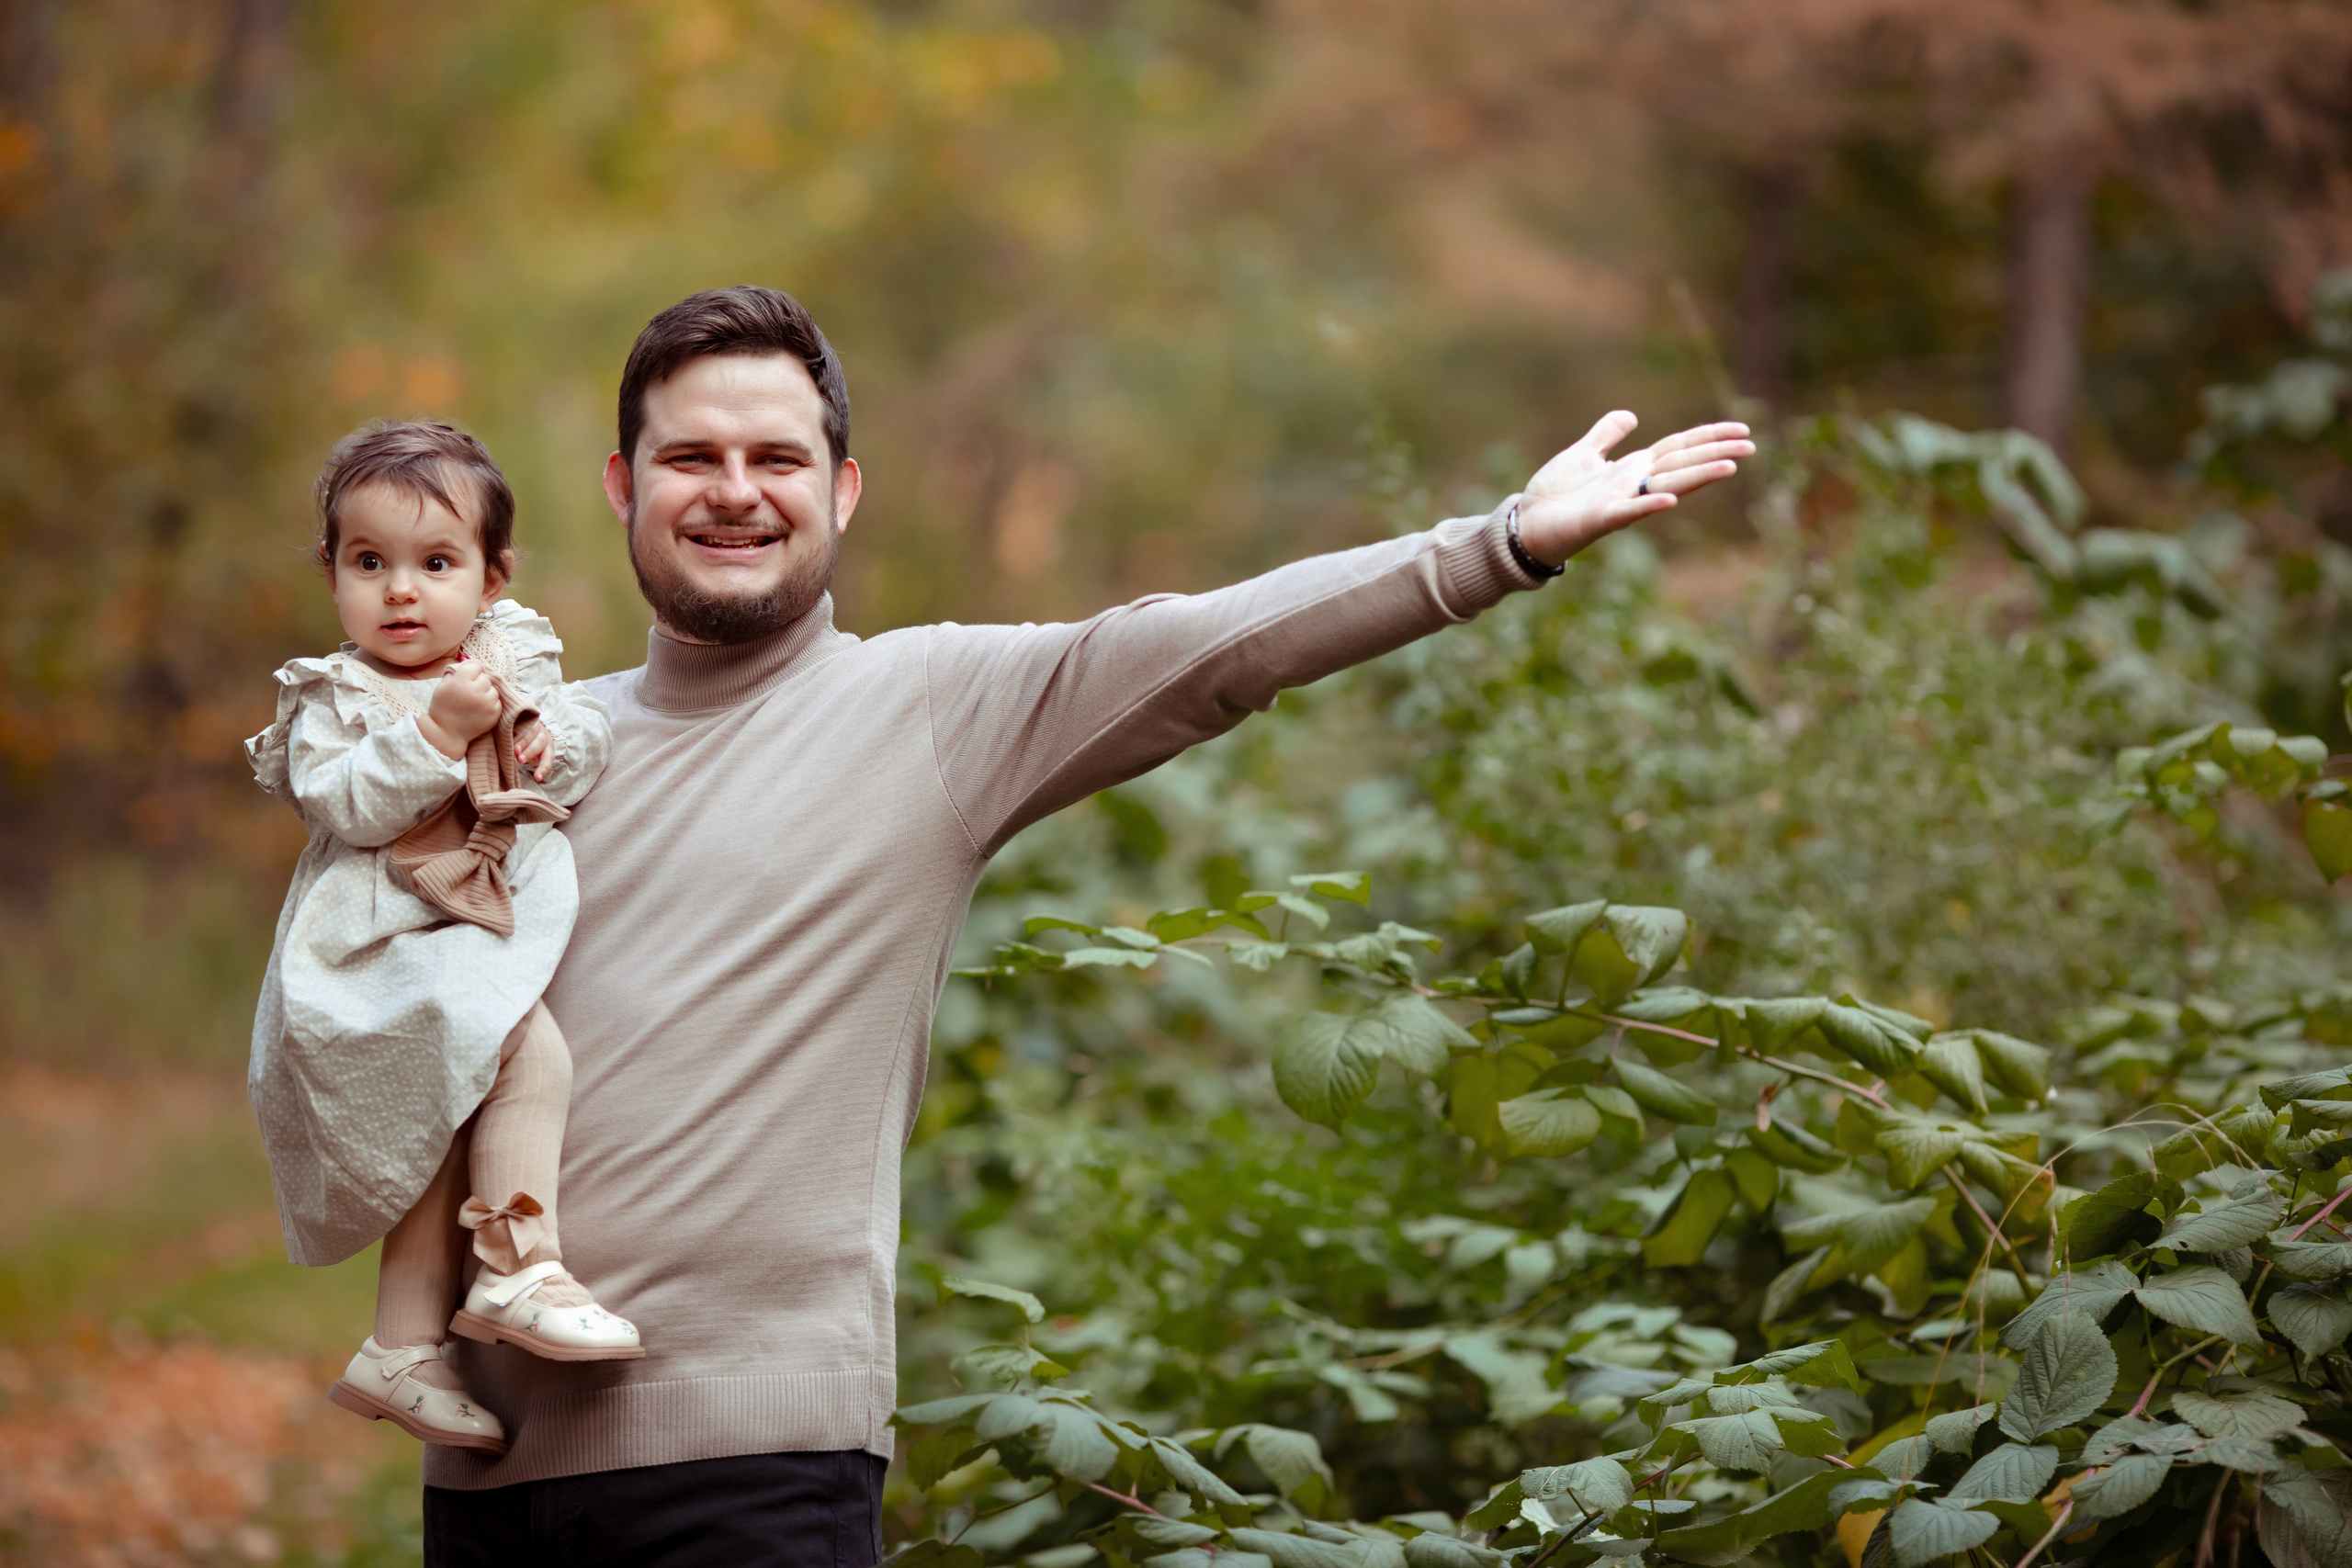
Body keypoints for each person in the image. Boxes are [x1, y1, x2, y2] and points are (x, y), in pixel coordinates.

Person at [417, 287, 1753, 1565]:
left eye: (778, 454)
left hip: (750, 1463)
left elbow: (1217, 647)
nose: (733, 490)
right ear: (618, 484)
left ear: (842, 488)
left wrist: (1503, 539)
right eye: (689, 456)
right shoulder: (533, 744)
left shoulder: (928, 709)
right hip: (477, 1465)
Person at [245, 423, 645, 1462]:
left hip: (468, 925)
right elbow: (346, 803)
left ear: (491, 575)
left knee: (441, 1121)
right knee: (523, 1049)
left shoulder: (511, 655)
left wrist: (545, 745)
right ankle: (519, 1262)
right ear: (332, 574)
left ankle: (402, 1347)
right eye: (370, 564)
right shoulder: (333, 697)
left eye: (436, 564)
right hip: (376, 953)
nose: (402, 593)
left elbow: (581, 744)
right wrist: (432, 734)